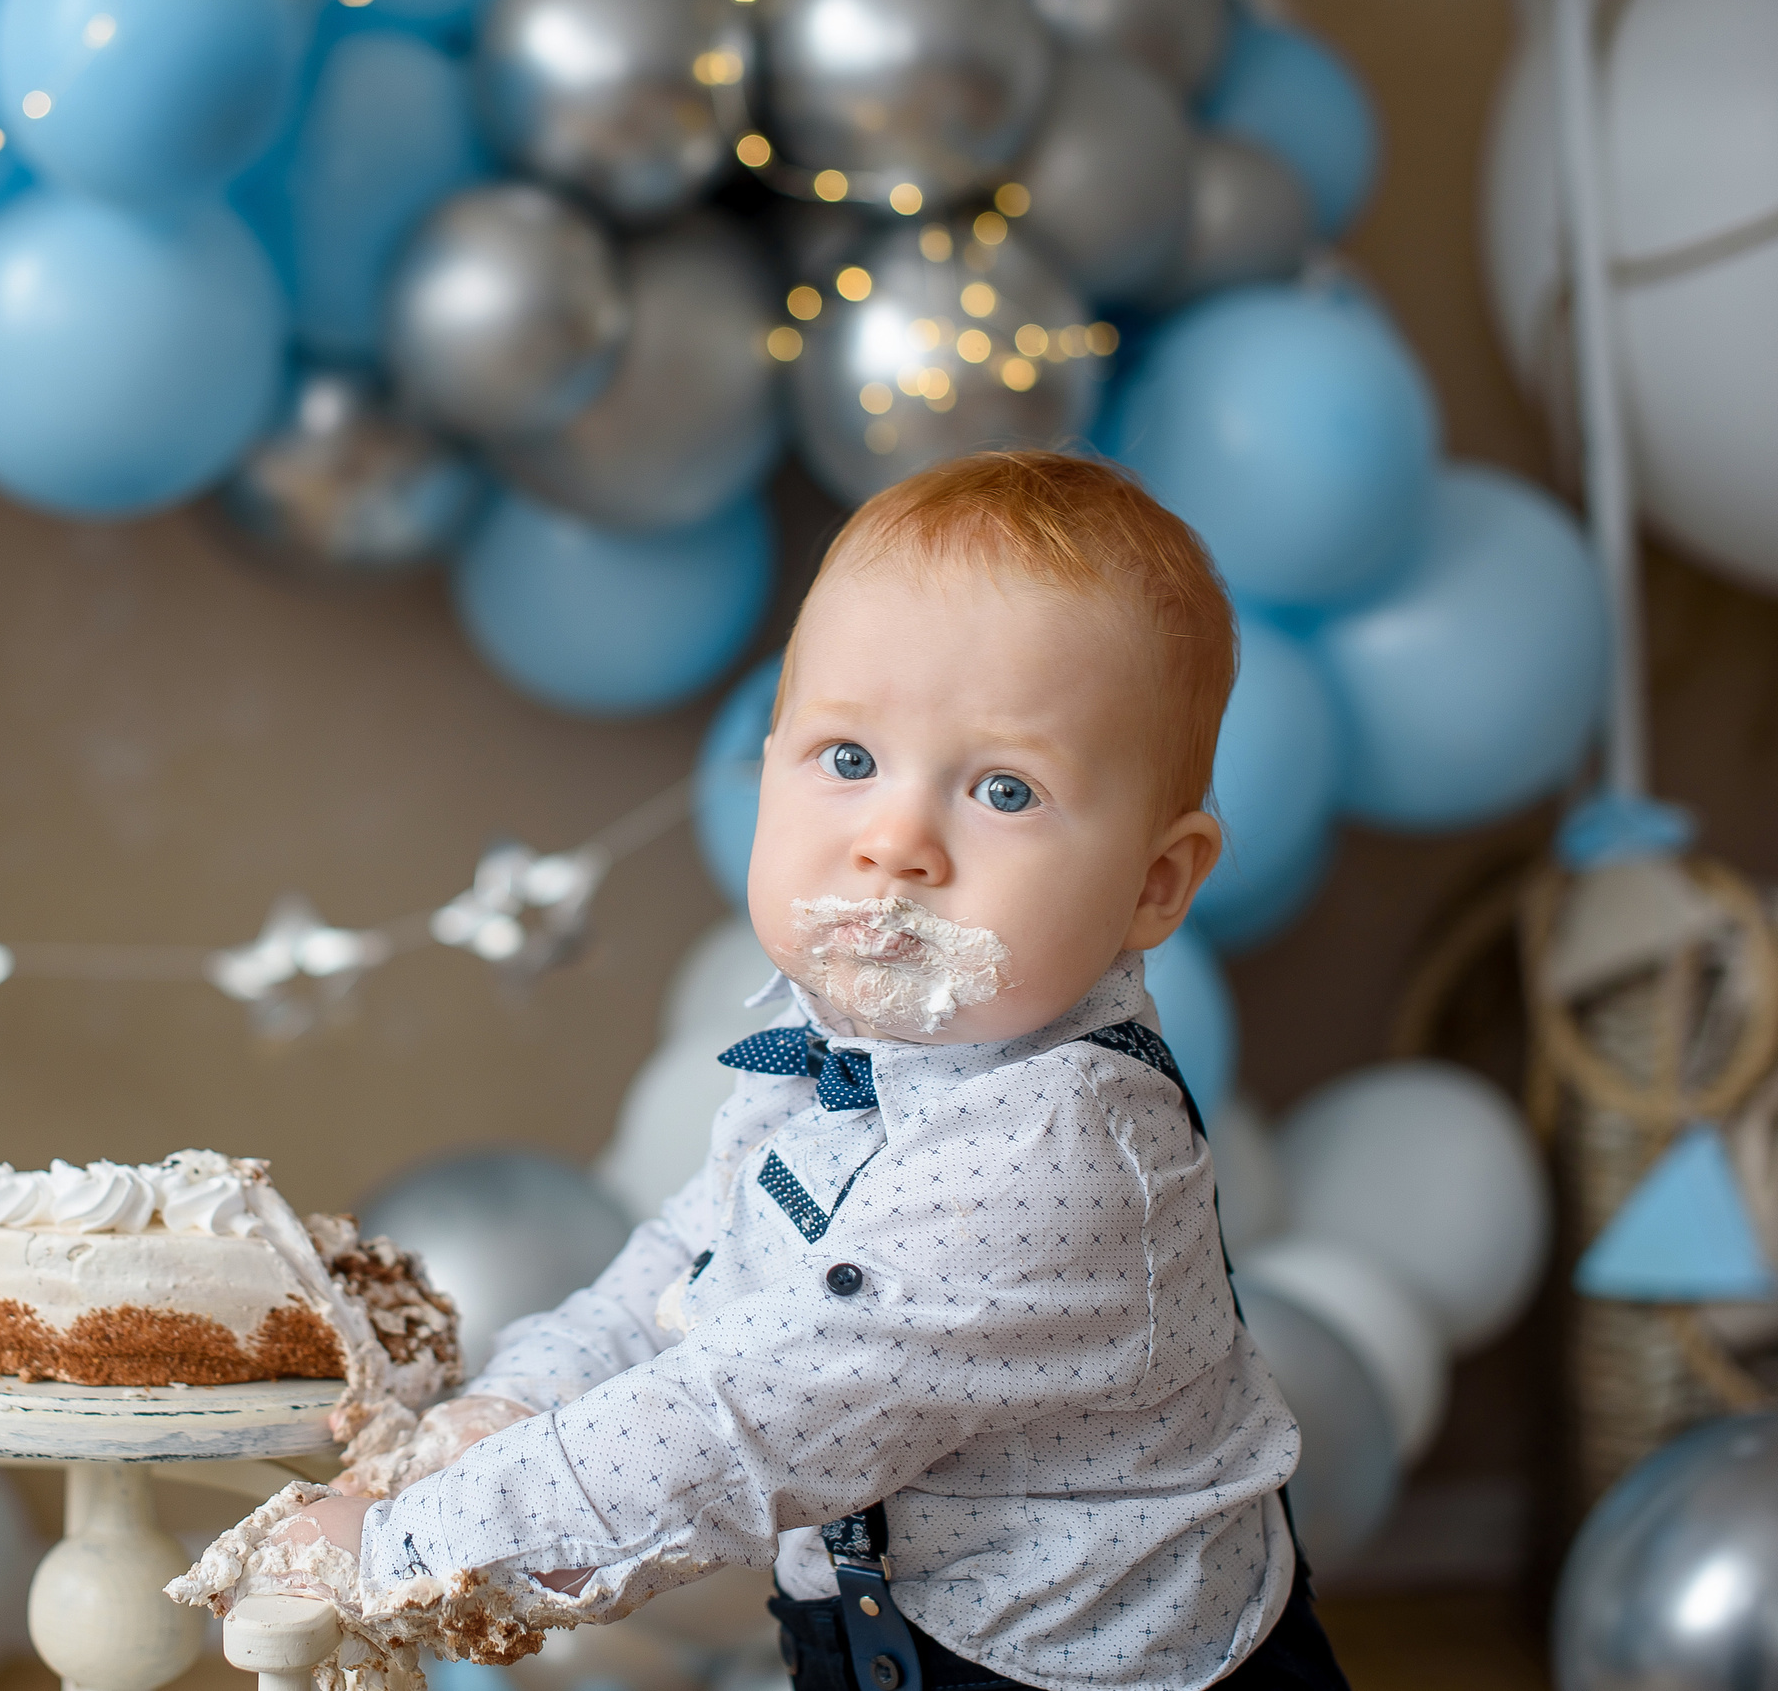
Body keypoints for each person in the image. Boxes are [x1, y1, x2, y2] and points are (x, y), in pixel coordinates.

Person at [180, 452, 1351, 1691]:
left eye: (1003, 788)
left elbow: (744, 1424)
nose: (893, 840)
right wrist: (510, 1408)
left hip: (1088, 1667)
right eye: (847, 758)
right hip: (878, 1636)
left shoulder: (1055, 1158)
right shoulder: (848, 1052)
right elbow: (687, 1275)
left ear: (1155, 883)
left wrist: (414, 1542)